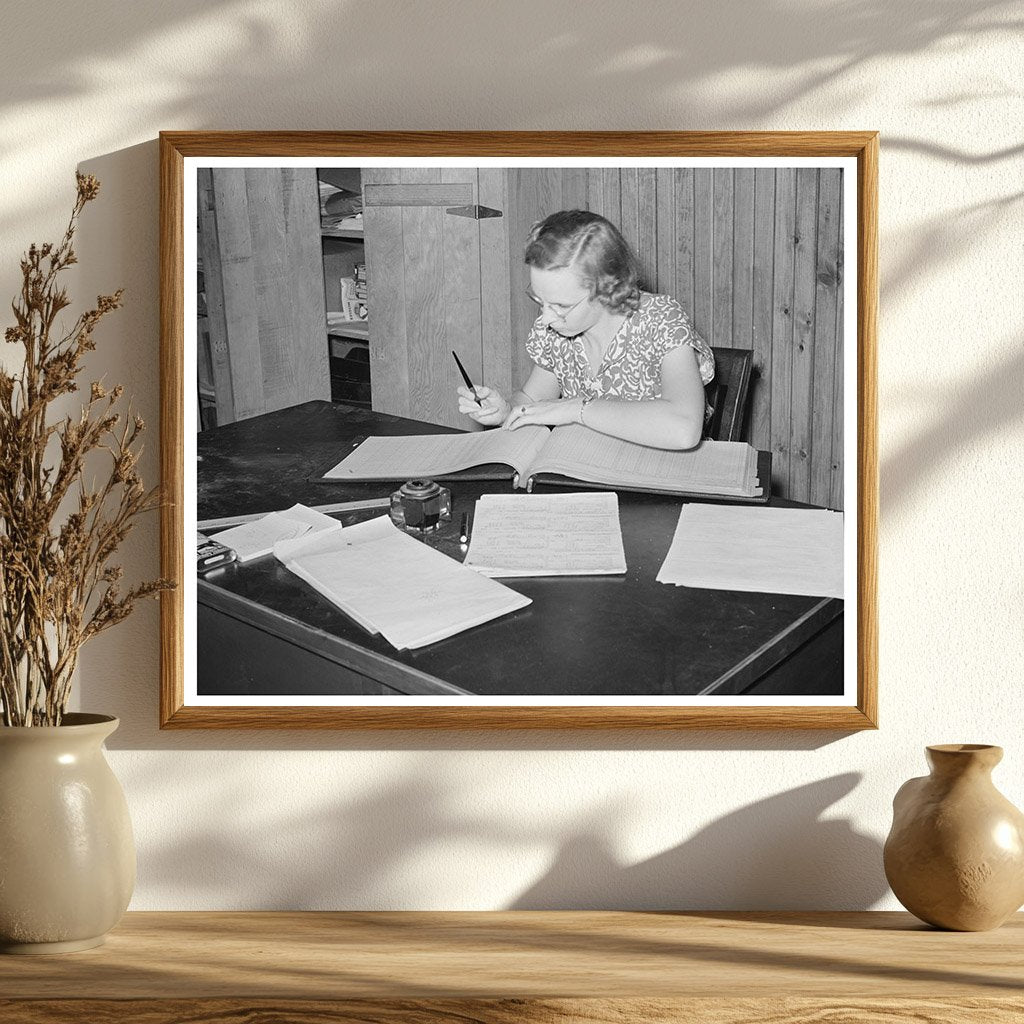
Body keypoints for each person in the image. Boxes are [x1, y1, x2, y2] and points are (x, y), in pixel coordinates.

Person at [456, 210, 714, 450]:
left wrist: (576, 408)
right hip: (587, 466)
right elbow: (531, 400)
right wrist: (505, 411)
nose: (546, 318)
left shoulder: (660, 320)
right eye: (539, 300)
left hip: (656, 478)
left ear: (607, 288)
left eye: (561, 305)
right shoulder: (556, 330)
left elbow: (684, 429)